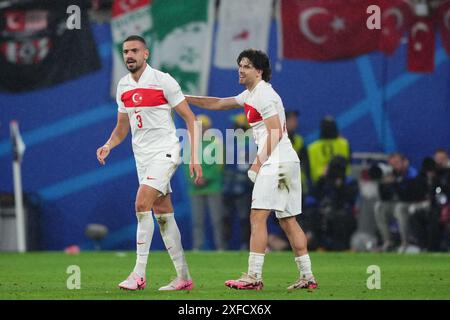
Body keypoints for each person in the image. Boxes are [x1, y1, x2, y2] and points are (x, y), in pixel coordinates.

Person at [186, 49, 317, 290]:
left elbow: (276, 132)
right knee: (288, 220)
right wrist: (184, 98)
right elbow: (217, 103)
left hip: (275, 161)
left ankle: (253, 277)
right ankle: (307, 276)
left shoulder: (263, 95)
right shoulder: (251, 94)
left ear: (259, 71)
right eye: (239, 65)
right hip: (287, 160)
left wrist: (258, 163)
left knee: (257, 217)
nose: (240, 69)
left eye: (246, 66)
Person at [96, 35, 202, 291]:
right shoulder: (123, 86)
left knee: (141, 203)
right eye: (125, 51)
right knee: (163, 213)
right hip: (142, 158)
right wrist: (109, 144)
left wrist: (194, 156)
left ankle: (138, 274)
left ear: (146, 54)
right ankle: (184, 277)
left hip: (165, 152)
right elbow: (122, 128)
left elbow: (191, 119)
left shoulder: (163, 81)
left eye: (134, 50)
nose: (129, 55)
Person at [185, 114, 227, 251]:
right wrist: (194, 178)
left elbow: (219, 166)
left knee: (217, 220)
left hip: (213, 187)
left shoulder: (216, 143)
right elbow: (186, 166)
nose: (201, 129)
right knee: (197, 221)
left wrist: (205, 177)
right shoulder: (190, 144)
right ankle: (197, 247)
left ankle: (220, 247)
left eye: (204, 127)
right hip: (195, 188)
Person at [222, 113, 255, 250]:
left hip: (241, 186)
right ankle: (236, 245)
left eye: (236, 125)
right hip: (233, 186)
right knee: (230, 218)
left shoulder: (247, 144)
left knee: (242, 218)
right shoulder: (234, 142)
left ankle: (244, 244)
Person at [374, 152, 417, 253]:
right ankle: (388, 241)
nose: (394, 166)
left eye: (397, 163)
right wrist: (384, 184)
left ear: (404, 162)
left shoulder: (411, 173)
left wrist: (395, 183)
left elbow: (410, 195)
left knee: (400, 208)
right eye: (392, 164)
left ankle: (405, 243)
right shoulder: (391, 174)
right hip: (395, 204)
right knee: (379, 206)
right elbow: (383, 197)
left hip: (411, 203)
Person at [307, 116, 351, 185]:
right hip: (340, 182)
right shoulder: (344, 144)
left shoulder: (312, 147)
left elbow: (308, 171)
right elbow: (349, 161)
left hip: (320, 184)